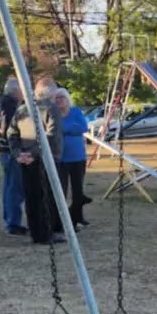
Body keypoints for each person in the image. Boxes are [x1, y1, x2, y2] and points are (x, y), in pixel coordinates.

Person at [8, 76, 65, 245]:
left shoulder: (22, 109)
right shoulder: (51, 108)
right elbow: (51, 136)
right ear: (51, 93)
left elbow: (11, 134)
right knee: (46, 197)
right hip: (44, 159)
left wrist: (19, 154)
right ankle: (46, 233)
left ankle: (36, 232)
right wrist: (32, 154)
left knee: (32, 196)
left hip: (26, 160)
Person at [54, 88, 91, 229]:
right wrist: (70, 128)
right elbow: (55, 129)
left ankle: (78, 216)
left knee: (78, 190)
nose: (59, 100)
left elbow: (83, 127)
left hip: (78, 157)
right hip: (61, 158)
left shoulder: (75, 111)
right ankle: (63, 218)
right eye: (56, 98)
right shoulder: (54, 114)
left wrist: (65, 128)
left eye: (62, 97)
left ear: (67, 98)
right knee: (62, 189)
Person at [0, 78, 26, 236]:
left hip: (4, 151)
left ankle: (10, 221)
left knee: (9, 188)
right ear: (16, 91)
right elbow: (9, 128)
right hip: (10, 151)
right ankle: (13, 223)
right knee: (15, 189)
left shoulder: (1, 102)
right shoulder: (9, 104)